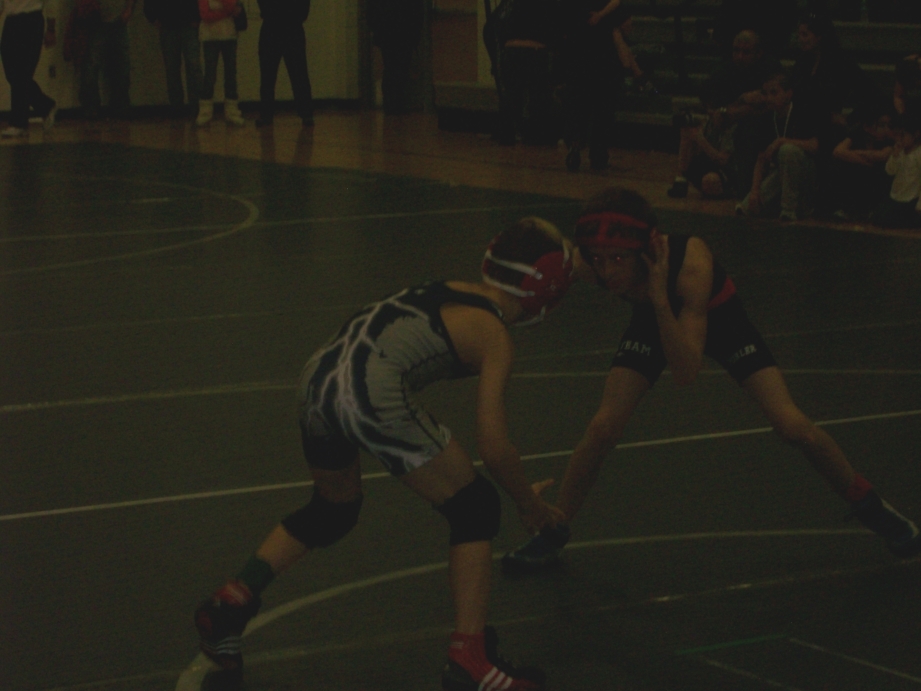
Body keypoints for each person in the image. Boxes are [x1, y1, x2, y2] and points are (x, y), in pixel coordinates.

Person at [193, 218, 573, 691]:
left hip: (317, 379)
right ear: (549, 291)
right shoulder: (494, 334)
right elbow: (494, 448)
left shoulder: (449, 288)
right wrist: (530, 506)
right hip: (367, 390)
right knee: (476, 506)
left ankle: (232, 602)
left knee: (334, 509)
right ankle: (469, 659)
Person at [503, 187, 921, 570]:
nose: (607, 271)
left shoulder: (692, 264)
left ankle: (871, 506)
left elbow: (686, 372)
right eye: (598, 259)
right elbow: (524, 289)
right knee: (603, 427)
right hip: (654, 316)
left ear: (645, 251)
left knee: (794, 427)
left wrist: (660, 300)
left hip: (720, 321)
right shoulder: (588, 263)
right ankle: (554, 531)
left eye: (617, 260)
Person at [668, 30, 781, 197]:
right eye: (736, 50)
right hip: (723, 130)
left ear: (758, 53)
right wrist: (737, 103)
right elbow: (711, 103)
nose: (740, 56)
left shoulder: (769, 69)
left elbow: (765, 104)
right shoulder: (725, 69)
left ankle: (738, 185)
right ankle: (681, 178)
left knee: (711, 181)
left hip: (745, 137)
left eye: (746, 52)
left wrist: (725, 115)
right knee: (689, 126)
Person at [736, 70, 822, 222]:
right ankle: (763, 204)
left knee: (787, 150)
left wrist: (782, 141)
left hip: (807, 176)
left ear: (788, 94)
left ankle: (789, 210)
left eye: (774, 93)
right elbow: (761, 159)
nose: (769, 98)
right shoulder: (766, 117)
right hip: (781, 176)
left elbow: (815, 146)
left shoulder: (802, 111)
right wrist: (754, 191)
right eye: (766, 94)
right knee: (748, 206)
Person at [666, 83, 739, 200]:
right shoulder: (709, 123)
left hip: (729, 171)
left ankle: (729, 191)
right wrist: (692, 139)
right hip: (712, 164)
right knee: (687, 133)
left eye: (712, 108)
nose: (709, 112)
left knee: (710, 181)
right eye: (707, 107)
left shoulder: (732, 127)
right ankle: (681, 179)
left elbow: (724, 160)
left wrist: (701, 140)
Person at [823, 105, 893, 220]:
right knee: (841, 165)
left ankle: (870, 209)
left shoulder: (888, 138)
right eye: (881, 125)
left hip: (878, 180)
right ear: (868, 127)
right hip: (859, 172)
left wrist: (855, 153)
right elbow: (838, 151)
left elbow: (883, 155)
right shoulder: (857, 132)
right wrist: (863, 161)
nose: (886, 129)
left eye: (888, 125)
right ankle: (844, 208)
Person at [0, 0, 57, 137]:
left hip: (31, 19)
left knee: (22, 73)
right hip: (11, 20)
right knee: (12, 73)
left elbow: (50, 2)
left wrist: (51, 29)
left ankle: (18, 123)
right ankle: (45, 106)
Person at [255, 0, 313, 128]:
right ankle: (306, 113)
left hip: (272, 27)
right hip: (292, 27)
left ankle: (266, 115)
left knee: (269, 76)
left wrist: (271, 13)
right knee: (298, 74)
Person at [144, 0, 203, 118]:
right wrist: (152, 17)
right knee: (177, 68)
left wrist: (198, 17)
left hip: (182, 23)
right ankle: (184, 108)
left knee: (189, 67)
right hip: (171, 25)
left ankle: (192, 107)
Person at [367, 0, 424, 115]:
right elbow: (416, 11)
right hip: (405, 31)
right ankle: (397, 103)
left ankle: (390, 104)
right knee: (401, 69)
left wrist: (376, 30)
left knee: (390, 68)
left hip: (387, 31)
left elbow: (372, 10)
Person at [196, 0, 244, 126]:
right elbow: (205, 15)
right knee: (210, 75)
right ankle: (205, 112)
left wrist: (220, 10)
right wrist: (226, 14)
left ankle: (232, 112)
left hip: (229, 35)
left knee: (231, 74)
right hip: (209, 37)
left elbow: (232, 7)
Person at [870, 111, 921, 228]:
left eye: (903, 135)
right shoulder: (900, 150)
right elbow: (890, 171)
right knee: (878, 218)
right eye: (897, 135)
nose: (899, 139)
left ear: (916, 134)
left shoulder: (919, 153)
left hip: (911, 199)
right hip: (896, 196)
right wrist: (895, 156)